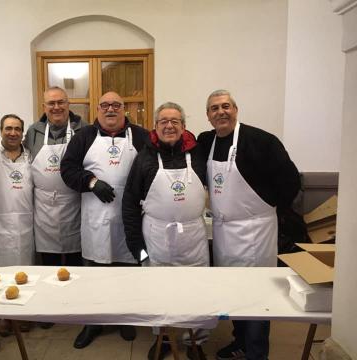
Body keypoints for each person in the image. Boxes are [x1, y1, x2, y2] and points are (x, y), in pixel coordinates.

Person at [198, 90, 300, 360]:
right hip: (223, 231)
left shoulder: (261, 141)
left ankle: (256, 352)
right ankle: (240, 340)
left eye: (226, 106)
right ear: (208, 116)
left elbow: (291, 181)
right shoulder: (206, 141)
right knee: (232, 292)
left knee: (257, 296)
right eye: (214, 108)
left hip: (256, 231)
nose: (221, 112)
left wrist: (268, 208)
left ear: (236, 109)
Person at [122, 102, 211, 360]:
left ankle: (196, 340)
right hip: (156, 236)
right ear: (155, 126)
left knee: (195, 290)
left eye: (175, 121)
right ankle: (163, 338)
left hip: (193, 236)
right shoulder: (144, 158)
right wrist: (136, 248)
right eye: (163, 121)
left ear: (183, 126)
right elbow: (129, 203)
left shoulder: (199, 154)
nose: (169, 126)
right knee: (159, 290)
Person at [61, 91, 148, 349]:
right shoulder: (83, 137)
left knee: (128, 272)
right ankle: (93, 322)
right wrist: (91, 182)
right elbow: (67, 169)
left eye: (116, 105)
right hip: (96, 218)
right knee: (95, 276)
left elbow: (154, 167)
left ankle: (125, 318)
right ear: (97, 110)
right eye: (105, 105)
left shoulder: (141, 136)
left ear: (124, 110)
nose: (111, 109)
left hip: (131, 219)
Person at [24, 86, 87, 267]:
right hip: (44, 211)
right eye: (51, 103)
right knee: (49, 266)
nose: (56, 107)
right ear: (44, 106)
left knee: (76, 265)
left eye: (61, 102)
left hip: (75, 206)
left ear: (68, 104)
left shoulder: (84, 128)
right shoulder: (33, 131)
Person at [0, 114, 33, 336]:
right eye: (8, 128)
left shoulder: (30, 157)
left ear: (22, 132)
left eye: (17, 128)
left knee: (25, 272)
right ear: (1, 130)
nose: (13, 133)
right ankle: (3, 317)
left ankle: (22, 315)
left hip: (26, 224)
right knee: (2, 272)